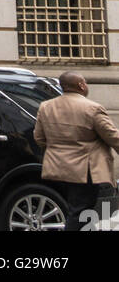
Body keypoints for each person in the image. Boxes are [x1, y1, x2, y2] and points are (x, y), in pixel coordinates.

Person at [34, 69, 119, 231]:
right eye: (85, 82)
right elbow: (113, 137)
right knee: (81, 211)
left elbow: (39, 138)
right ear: (81, 85)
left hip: (56, 168)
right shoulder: (92, 108)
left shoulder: (46, 107)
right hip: (84, 170)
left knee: (73, 209)